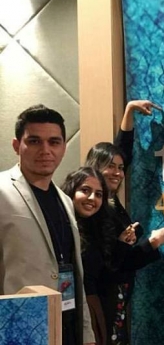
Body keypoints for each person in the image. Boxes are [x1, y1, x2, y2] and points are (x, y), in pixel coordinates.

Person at [0, 104, 95, 345]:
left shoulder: (65, 201)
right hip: (19, 331)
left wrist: (87, 334)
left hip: (67, 324)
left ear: (63, 147)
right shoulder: (2, 191)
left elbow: (75, 271)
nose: (45, 150)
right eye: (34, 141)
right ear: (16, 145)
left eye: (54, 142)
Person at [85, 100, 164, 345]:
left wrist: (129, 111)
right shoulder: (94, 207)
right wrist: (151, 244)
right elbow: (115, 264)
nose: (118, 172)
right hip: (106, 298)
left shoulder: (107, 198)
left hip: (118, 296)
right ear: (95, 168)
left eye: (121, 168)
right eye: (110, 167)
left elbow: (122, 152)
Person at [61, 167, 136, 345]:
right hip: (65, 309)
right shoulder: (61, 226)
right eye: (85, 190)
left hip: (93, 307)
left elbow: (107, 275)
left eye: (98, 194)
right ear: (71, 191)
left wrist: (122, 244)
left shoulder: (98, 228)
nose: (92, 198)